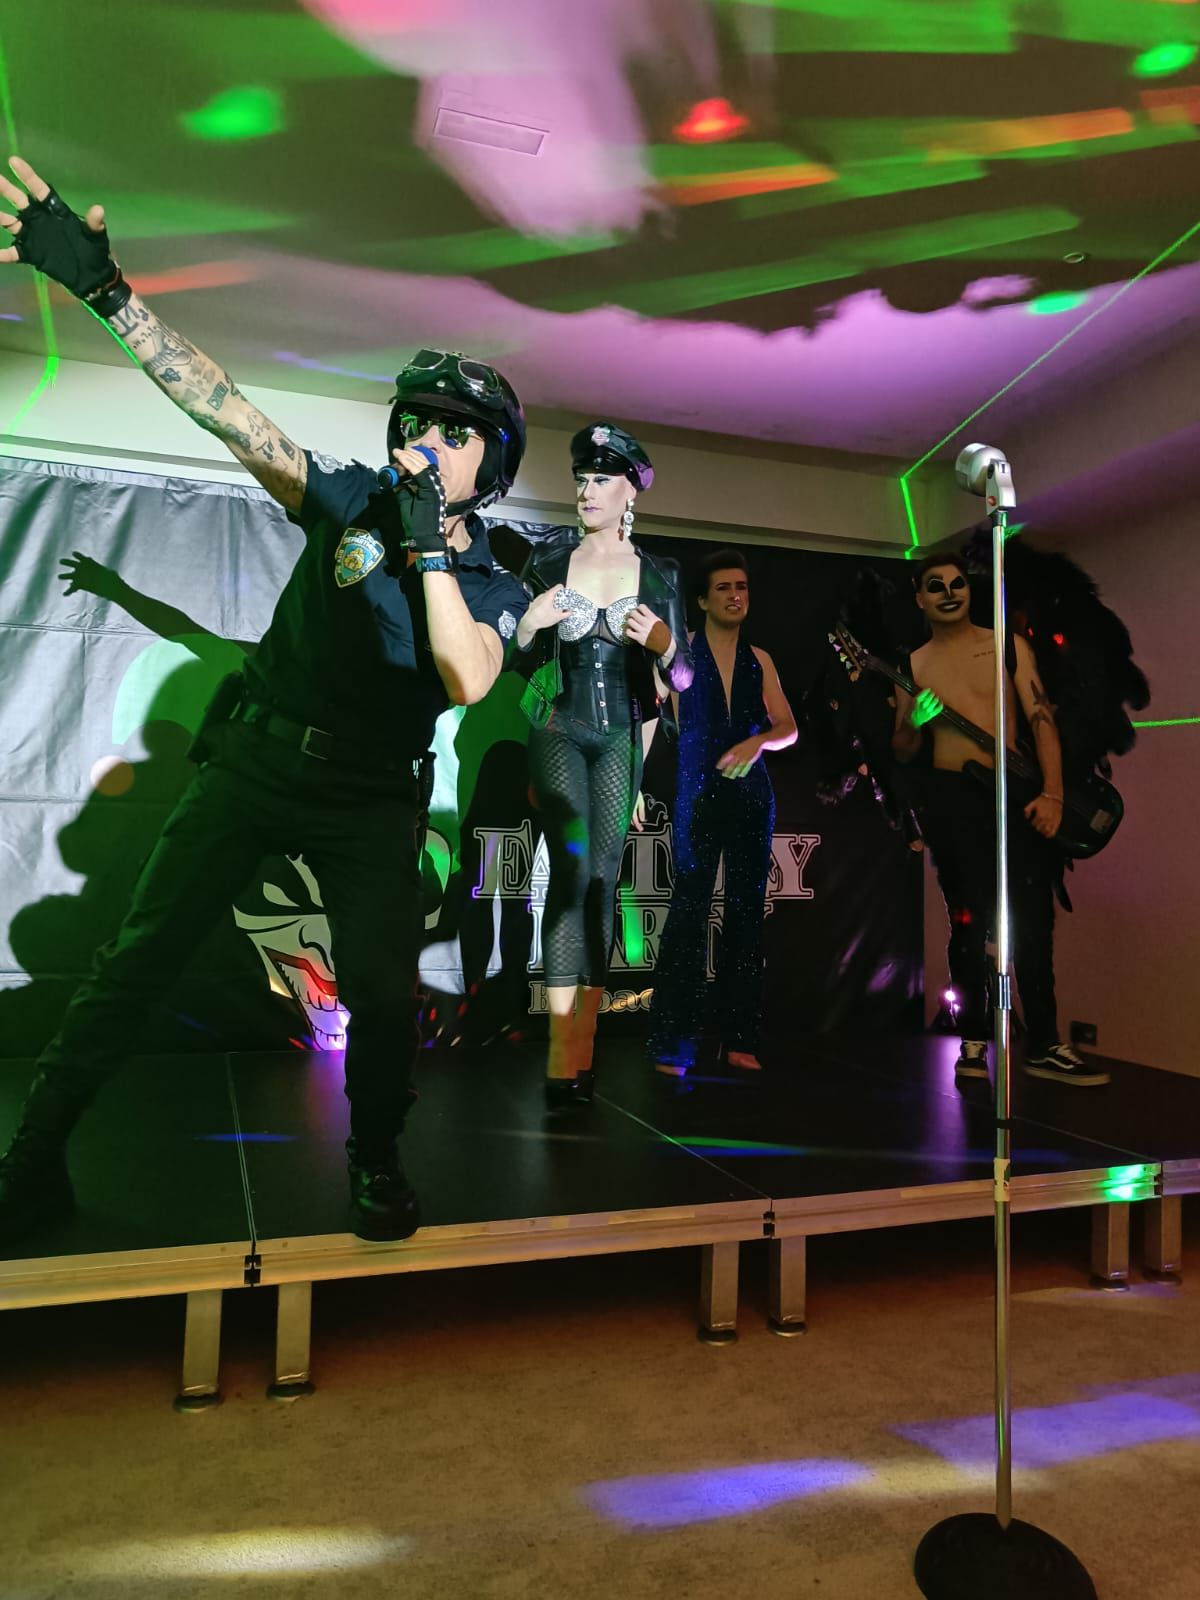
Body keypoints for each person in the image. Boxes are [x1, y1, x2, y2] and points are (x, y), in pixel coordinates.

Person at [0, 157, 532, 1244]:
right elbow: (231, 416)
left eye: (454, 431)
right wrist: (107, 294)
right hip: (256, 763)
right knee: (134, 962)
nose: (424, 441)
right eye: (414, 422)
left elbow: (466, 676)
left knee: (384, 995)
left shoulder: (498, 579)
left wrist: (428, 548)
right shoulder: (351, 501)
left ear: (494, 467)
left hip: (371, 798)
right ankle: (33, 1153)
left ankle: (374, 1158)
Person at [513, 424, 692, 1105]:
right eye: (581, 479)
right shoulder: (548, 556)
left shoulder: (661, 573)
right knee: (572, 869)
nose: (587, 491)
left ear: (630, 492)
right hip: (557, 725)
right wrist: (528, 627)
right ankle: (562, 1056)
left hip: (621, 736)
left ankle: (581, 1047)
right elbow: (512, 656)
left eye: (601, 480)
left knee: (601, 881)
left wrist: (667, 645)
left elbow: (685, 682)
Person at [891, 553, 1108, 1087]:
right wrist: (914, 723)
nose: (949, 592)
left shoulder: (1008, 646)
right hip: (953, 800)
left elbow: (1040, 717)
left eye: (957, 583)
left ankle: (1046, 1043)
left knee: (1033, 919)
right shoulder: (912, 665)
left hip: (1018, 793)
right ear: (920, 598)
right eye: (936, 585)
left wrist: (1053, 794)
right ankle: (972, 1040)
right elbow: (902, 747)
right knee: (967, 922)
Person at [646, 549, 796, 1079]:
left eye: (742, 587)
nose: (735, 596)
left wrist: (758, 742)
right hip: (697, 790)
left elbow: (788, 727)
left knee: (746, 915)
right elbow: (654, 713)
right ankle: (673, 1043)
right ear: (703, 601)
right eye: (724, 588)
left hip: (752, 795)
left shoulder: (760, 658)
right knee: (688, 912)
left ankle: (739, 1039)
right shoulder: (681, 649)